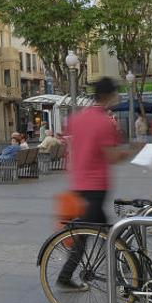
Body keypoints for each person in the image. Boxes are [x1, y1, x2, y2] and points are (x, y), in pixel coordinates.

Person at [57, 77, 132, 291]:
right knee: (85, 234)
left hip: (78, 183)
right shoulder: (105, 122)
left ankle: (122, 265)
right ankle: (65, 276)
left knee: (102, 229)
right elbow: (112, 157)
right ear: (109, 96)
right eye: (116, 93)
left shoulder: (76, 118)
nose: (118, 97)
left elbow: (66, 147)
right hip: (96, 186)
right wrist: (132, 151)